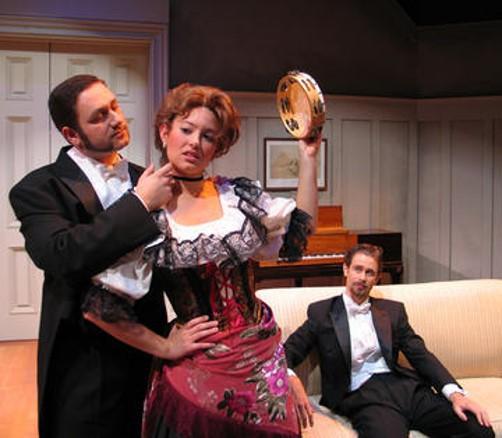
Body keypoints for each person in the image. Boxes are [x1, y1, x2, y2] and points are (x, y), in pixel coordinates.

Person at [85, 82, 322, 437]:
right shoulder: (146, 210)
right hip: (197, 370)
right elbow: (100, 308)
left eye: (208, 136)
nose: (195, 143)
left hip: (263, 360)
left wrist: (308, 157)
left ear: (218, 147)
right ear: (164, 131)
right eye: (187, 129)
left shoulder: (237, 197)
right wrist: (166, 346)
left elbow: (299, 232)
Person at [8, 74, 216, 438]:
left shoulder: (149, 177)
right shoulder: (37, 188)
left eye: (114, 106)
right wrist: (140, 203)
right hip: (85, 360)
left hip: (151, 349)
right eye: (99, 116)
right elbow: (62, 255)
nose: (116, 119)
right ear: (72, 135)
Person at [284, 243, 495, 438]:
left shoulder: (393, 311)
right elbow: (286, 352)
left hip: (407, 388)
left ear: (377, 278)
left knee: (479, 430)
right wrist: (292, 380)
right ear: (346, 269)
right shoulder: (322, 313)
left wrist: (455, 394)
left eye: (370, 272)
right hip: (364, 396)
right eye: (358, 269)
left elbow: (420, 354)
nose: (363, 277)